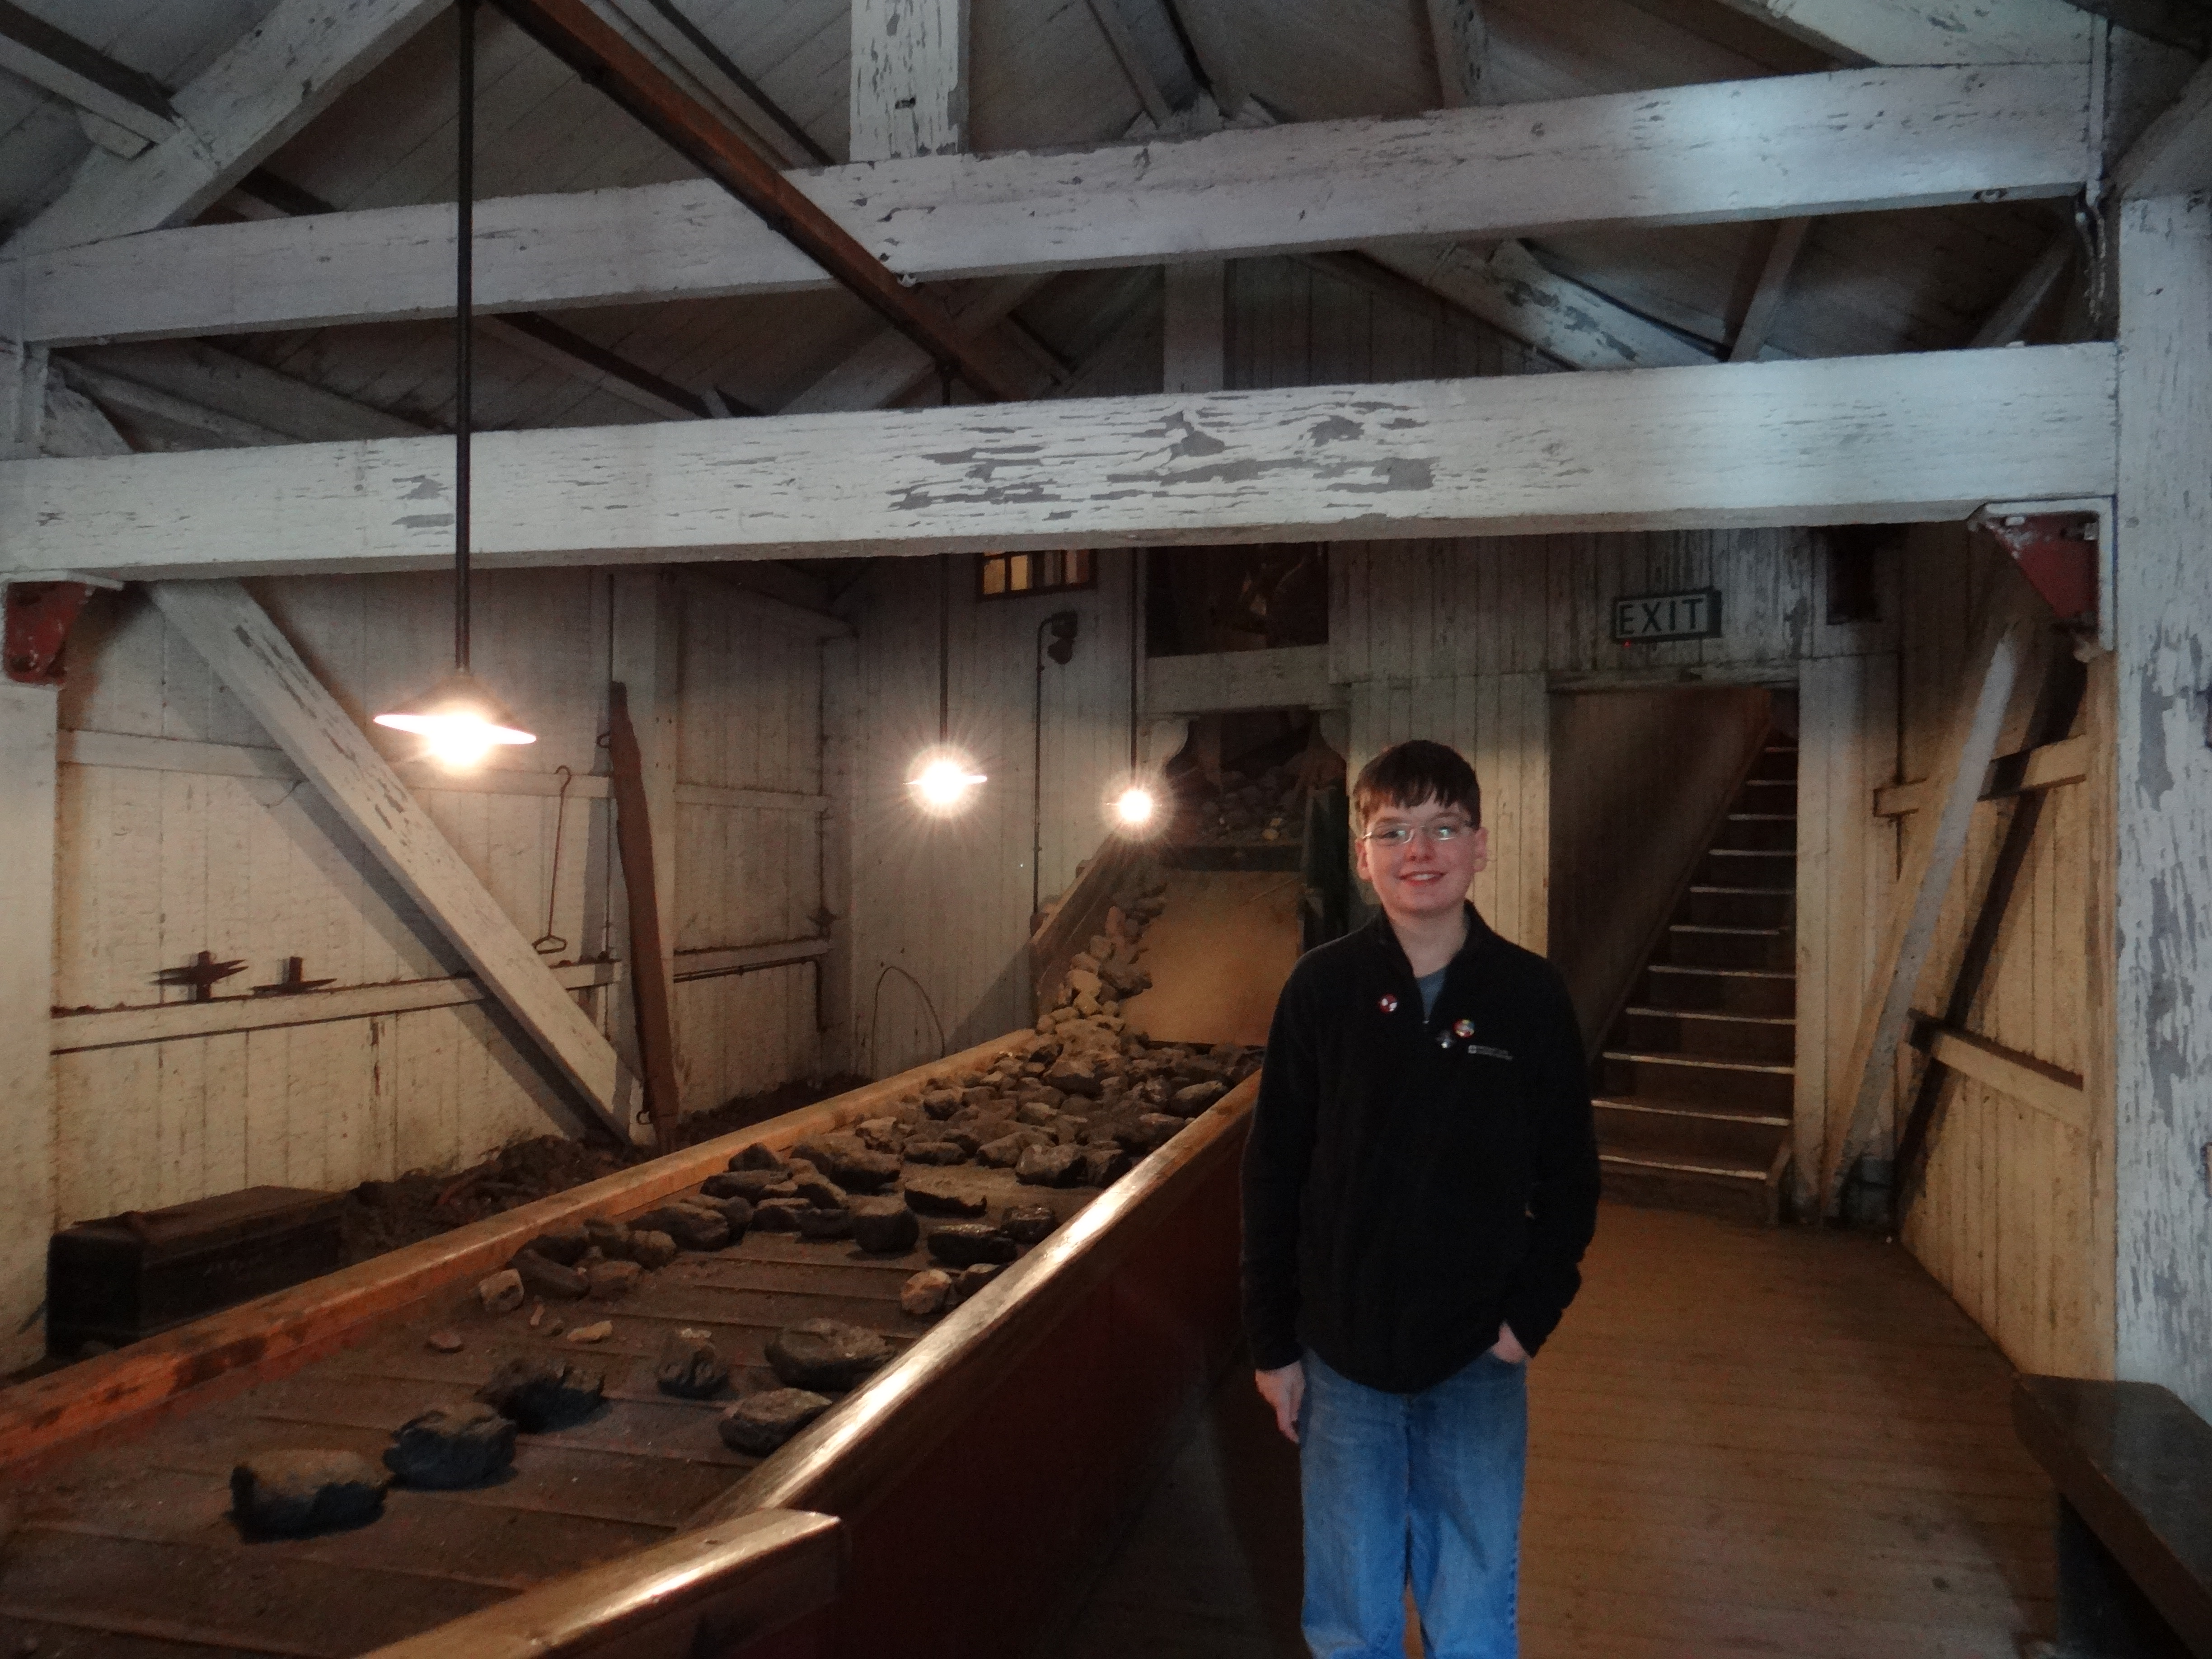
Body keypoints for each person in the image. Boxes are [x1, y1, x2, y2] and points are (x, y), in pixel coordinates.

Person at [1241, 738, 1601, 1659]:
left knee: (1473, 1605)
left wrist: (1527, 1321)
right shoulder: (1322, 989)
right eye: (1394, 831)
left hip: (1478, 1356)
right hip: (1342, 1355)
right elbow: (1274, 1171)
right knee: (1348, 1609)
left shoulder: (1529, 996)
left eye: (1444, 827)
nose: (1420, 850)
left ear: (1480, 846)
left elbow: (1571, 1179)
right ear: (1363, 856)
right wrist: (1274, 1344)